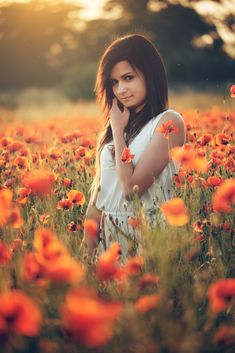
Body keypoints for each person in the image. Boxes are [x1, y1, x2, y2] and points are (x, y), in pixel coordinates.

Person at [84, 33, 185, 259]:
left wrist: (118, 132)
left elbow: (132, 191)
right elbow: (97, 202)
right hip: (108, 243)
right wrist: (87, 258)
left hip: (147, 236)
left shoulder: (168, 123)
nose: (120, 90)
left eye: (128, 78)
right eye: (114, 82)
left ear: (150, 75)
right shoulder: (113, 130)